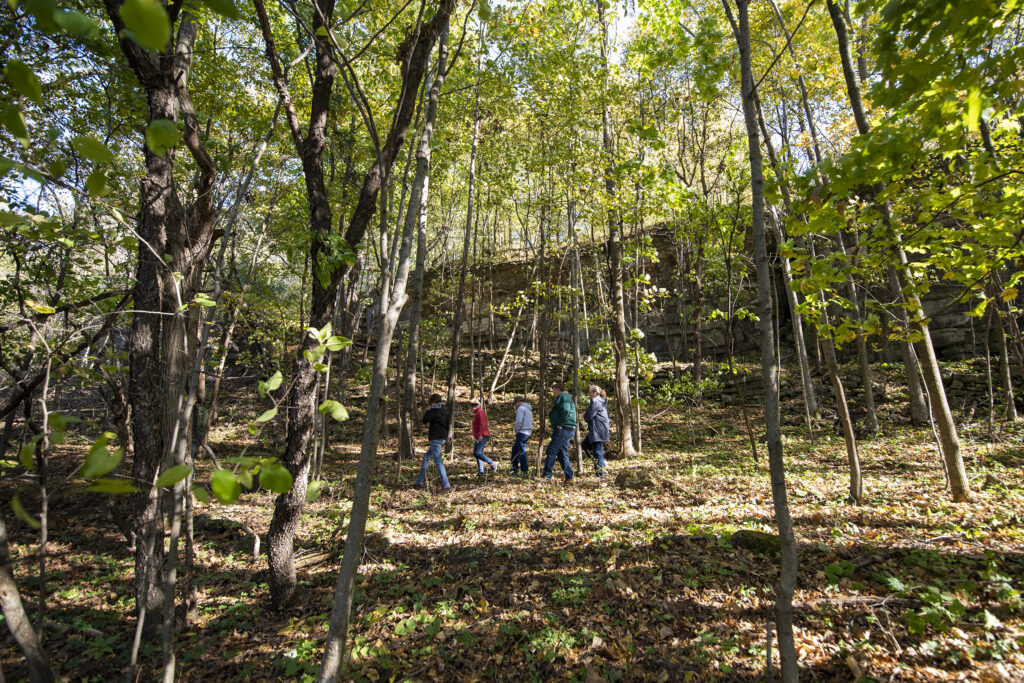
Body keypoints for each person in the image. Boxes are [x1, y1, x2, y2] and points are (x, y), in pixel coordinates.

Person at [414, 393, 451, 491]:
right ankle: (419, 481)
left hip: (435, 438)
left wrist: (428, 410)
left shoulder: (433, 411)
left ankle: (446, 484)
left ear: (433, 402)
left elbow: (424, 420)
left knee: (438, 461)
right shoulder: (445, 411)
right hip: (443, 438)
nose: (430, 404)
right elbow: (448, 425)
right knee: (426, 457)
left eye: (430, 403)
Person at [543, 383, 576, 483]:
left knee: (551, 450)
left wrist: (560, 424)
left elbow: (565, 411)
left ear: (558, 389)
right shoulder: (564, 397)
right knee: (562, 453)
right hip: (567, 428)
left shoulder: (564, 397)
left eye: (554, 391)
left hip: (564, 428)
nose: (553, 393)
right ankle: (569, 477)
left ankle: (546, 476)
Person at [582, 385, 610, 477]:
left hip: (597, 430)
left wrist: (585, 416)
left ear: (594, 393)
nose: (589, 394)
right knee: (585, 445)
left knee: (598, 451)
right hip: (598, 429)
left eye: (590, 392)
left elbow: (589, 416)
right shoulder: (602, 401)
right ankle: (600, 464)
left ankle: (601, 474)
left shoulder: (596, 401)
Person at [471, 399, 497, 476]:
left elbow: (482, 424)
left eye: (470, 407)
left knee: (477, 452)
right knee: (477, 453)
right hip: (481, 435)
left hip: (483, 435)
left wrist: (479, 435)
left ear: (474, 407)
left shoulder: (480, 412)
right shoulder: (478, 413)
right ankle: (481, 471)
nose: (470, 409)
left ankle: (492, 463)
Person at [511, 396, 533, 476]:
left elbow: (518, 422)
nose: (515, 406)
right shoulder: (528, 409)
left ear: (518, 402)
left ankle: (524, 470)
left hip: (522, 432)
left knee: (521, 452)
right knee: (515, 450)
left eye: (515, 404)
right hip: (528, 431)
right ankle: (514, 467)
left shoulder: (521, 409)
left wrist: (516, 431)